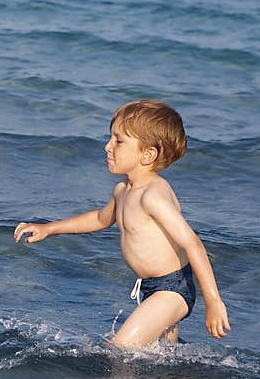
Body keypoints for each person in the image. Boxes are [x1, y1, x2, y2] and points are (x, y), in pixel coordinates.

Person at [14, 99, 230, 349]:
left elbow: (193, 244)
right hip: (151, 288)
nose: (107, 147)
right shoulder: (122, 191)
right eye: (110, 138)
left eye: (119, 141)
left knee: (119, 348)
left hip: (172, 290)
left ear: (148, 154)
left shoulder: (153, 196)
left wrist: (213, 302)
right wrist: (49, 228)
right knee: (165, 358)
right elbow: (100, 219)